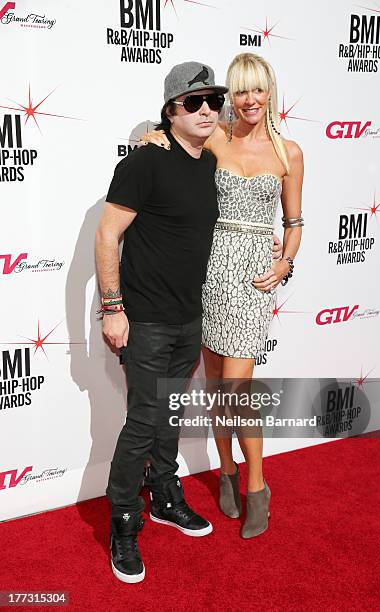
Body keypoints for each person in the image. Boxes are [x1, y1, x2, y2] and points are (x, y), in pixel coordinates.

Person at [141, 52, 304, 539]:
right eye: (240, 91)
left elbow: (294, 223)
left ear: (270, 91)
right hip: (209, 270)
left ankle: (257, 484)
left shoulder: (289, 152)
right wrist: (152, 135)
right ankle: (227, 470)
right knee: (215, 386)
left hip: (254, 277)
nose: (250, 99)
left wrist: (285, 261)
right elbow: (174, 132)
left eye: (258, 89)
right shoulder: (216, 136)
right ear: (229, 95)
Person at [95, 61, 229, 583]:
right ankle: (124, 519)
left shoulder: (210, 157)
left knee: (169, 415)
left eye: (213, 101)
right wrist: (113, 308)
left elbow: (261, 138)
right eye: (193, 102)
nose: (206, 110)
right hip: (145, 318)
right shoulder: (145, 161)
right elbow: (108, 236)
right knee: (143, 421)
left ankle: (165, 496)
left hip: (188, 317)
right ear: (170, 109)